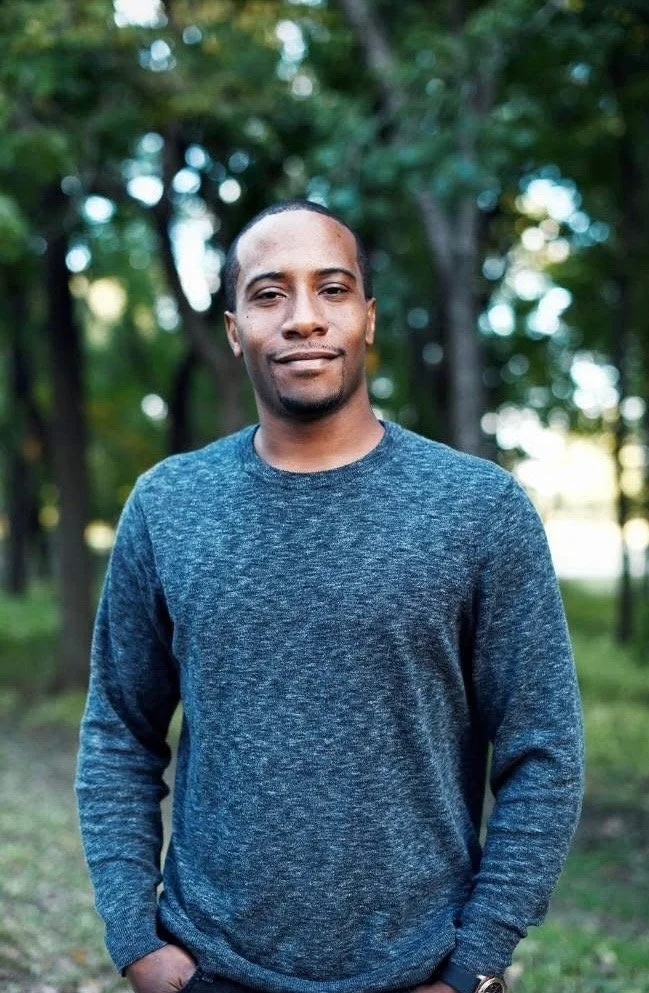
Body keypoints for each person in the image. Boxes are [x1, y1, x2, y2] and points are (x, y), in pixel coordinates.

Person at [74, 199, 584, 993]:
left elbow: (542, 752)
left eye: (332, 289)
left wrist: (476, 964)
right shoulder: (168, 505)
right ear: (236, 326)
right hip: (211, 968)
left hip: (419, 971)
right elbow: (118, 731)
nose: (303, 318)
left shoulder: (477, 509)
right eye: (269, 293)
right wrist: (136, 936)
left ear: (368, 318)